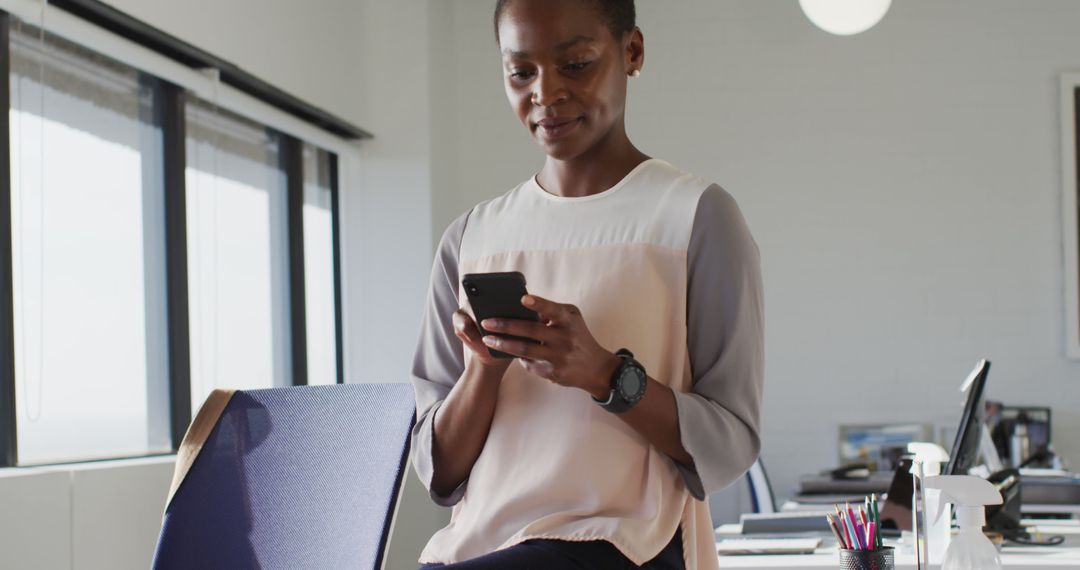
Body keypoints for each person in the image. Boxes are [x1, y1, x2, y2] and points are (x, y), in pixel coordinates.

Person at [409, 0, 763, 568]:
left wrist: (605, 374)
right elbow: (441, 474)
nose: (544, 94)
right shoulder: (469, 238)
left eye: (574, 64)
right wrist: (483, 371)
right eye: (520, 72)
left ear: (632, 53)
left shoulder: (696, 218)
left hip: (624, 546)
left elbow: (729, 444)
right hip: (476, 548)